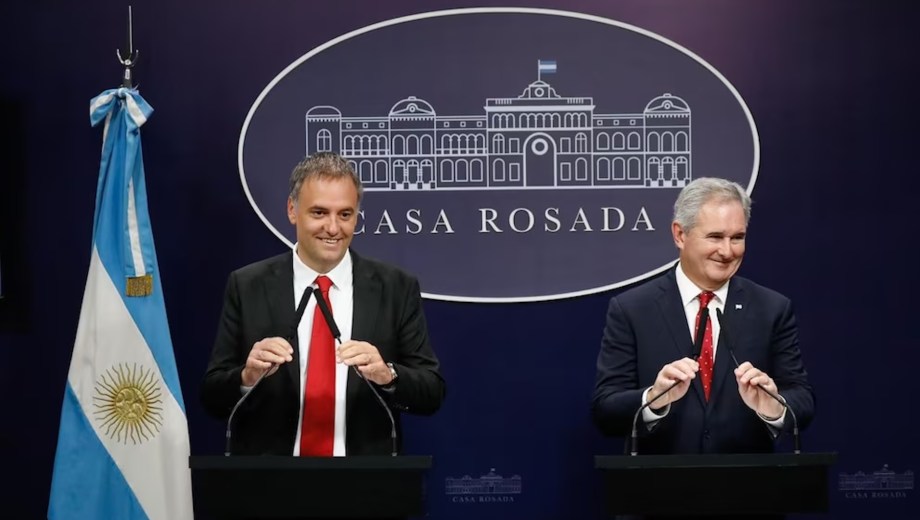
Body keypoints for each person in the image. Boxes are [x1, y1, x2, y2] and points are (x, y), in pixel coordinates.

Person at [202, 152, 445, 456]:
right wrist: (246, 377)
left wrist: (388, 374)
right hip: (270, 483)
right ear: (292, 210)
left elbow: (431, 393)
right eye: (319, 213)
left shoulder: (395, 287)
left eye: (345, 214)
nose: (333, 228)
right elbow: (212, 396)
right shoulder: (248, 285)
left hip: (365, 484)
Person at [592, 177, 814, 456]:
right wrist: (653, 399)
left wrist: (774, 405)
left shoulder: (772, 308)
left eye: (737, 238)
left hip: (750, 488)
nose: (727, 251)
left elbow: (803, 402)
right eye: (715, 237)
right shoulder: (632, 309)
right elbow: (605, 410)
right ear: (680, 235)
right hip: (658, 489)